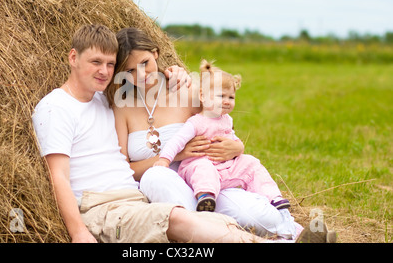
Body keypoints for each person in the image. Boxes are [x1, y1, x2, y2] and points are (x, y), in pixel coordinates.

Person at [32, 23, 274, 243]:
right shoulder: (56, 107)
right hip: (103, 207)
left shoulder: (104, 100)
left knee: (214, 220)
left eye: (109, 64)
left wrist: (175, 73)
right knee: (177, 218)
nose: (104, 71)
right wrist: (79, 233)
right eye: (96, 62)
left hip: (135, 199)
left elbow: (210, 111)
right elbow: (58, 177)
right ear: (73, 57)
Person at [108, 27, 301, 240]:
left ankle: (280, 231)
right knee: (155, 176)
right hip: (165, 191)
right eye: (131, 70)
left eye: (145, 63)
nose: (142, 74)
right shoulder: (122, 107)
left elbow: (221, 128)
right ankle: (216, 231)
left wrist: (238, 148)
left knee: (267, 219)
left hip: (206, 183)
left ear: (156, 53)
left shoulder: (186, 90)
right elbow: (124, 169)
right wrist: (178, 155)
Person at [153, 60, 290, 213]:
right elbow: (177, 141)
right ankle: (206, 196)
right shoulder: (196, 122)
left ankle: (272, 196)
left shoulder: (227, 120)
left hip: (224, 168)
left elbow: (232, 137)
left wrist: (238, 147)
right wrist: (164, 159)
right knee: (202, 167)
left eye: (231, 98)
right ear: (203, 97)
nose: (226, 101)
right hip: (197, 168)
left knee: (252, 162)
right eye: (221, 96)